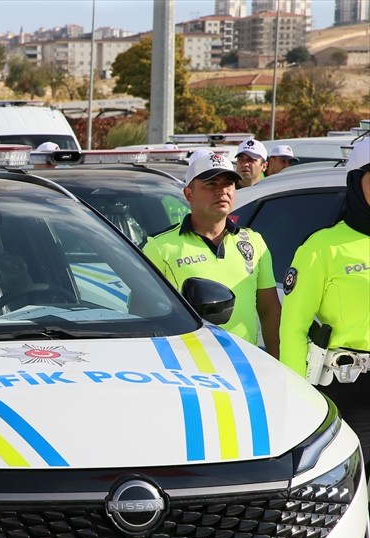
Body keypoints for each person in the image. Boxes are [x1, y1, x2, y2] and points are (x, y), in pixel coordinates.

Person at [279, 137, 370, 453]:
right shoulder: (322, 247)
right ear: (357, 183)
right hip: (348, 391)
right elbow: (293, 329)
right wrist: (298, 397)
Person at [143, 149, 281, 356]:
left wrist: (277, 362)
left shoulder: (254, 242)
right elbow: (144, 314)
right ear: (189, 194)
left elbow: (269, 310)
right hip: (188, 365)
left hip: (245, 365)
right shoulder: (159, 247)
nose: (222, 191)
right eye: (211, 184)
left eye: (228, 184)